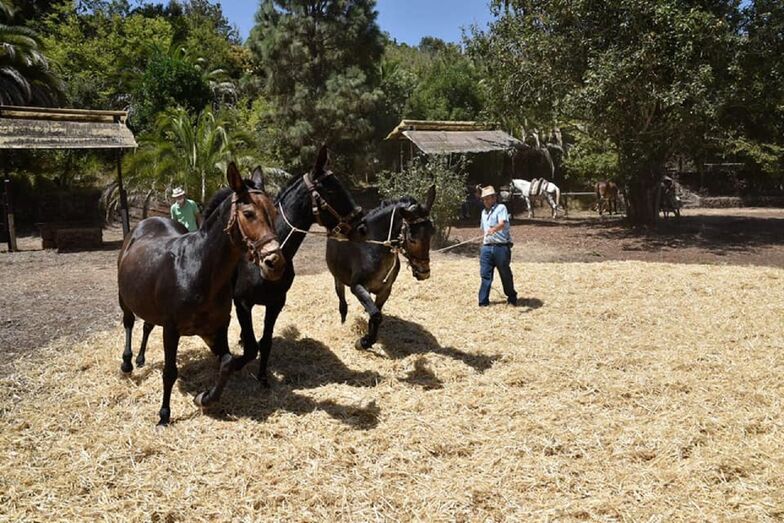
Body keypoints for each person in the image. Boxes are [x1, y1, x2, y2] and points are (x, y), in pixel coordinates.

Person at [478, 185, 517, 307]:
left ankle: (512, 297)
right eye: (483, 199)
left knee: (505, 273)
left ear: (493, 198)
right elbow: (483, 229)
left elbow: (502, 223)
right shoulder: (483, 213)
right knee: (485, 274)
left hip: (501, 247)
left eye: (487, 198)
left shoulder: (501, 208)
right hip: (487, 247)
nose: (485, 201)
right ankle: (483, 302)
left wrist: (493, 229)